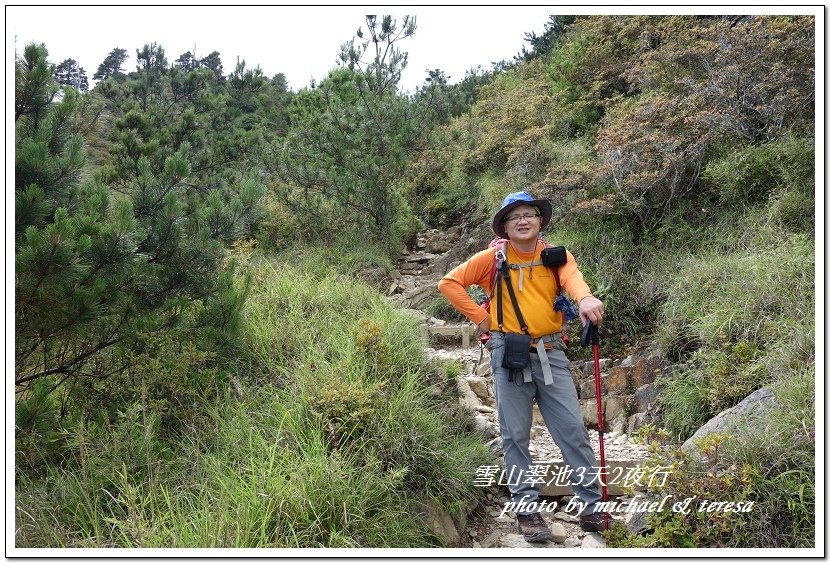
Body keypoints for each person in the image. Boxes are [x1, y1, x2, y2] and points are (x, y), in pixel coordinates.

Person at [437, 191, 608, 542]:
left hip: (551, 350)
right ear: (505, 225)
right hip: (508, 352)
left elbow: (574, 282)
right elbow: (449, 283)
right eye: (514, 217)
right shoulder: (494, 257)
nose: (523, 220)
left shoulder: (556, 256)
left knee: (573, 431)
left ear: (540, 220)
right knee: (515, 435)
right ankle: (527, 510)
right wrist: (483, 319)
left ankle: (591, 506)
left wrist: (586, 298)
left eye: (529, 214)